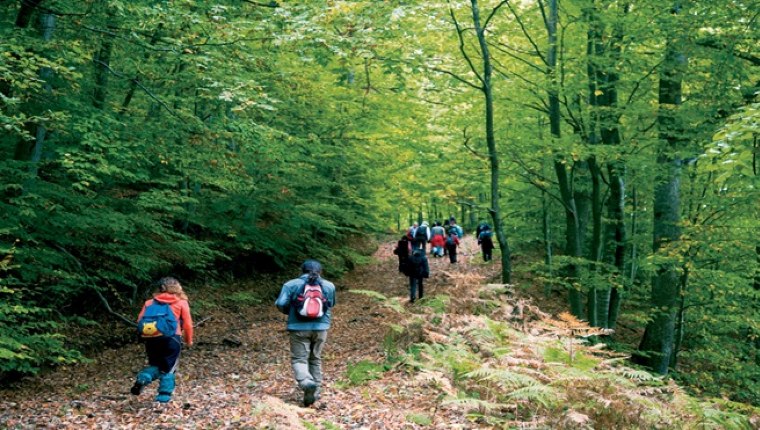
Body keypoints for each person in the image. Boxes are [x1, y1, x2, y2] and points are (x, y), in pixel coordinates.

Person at [275, 260, 336, 407]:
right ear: (320, 271)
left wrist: (290, 312)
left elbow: (280, 303)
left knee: (299, 359)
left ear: (302, 270)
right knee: (315, 358)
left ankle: (306, 382)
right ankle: (315, 393)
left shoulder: (291, 284)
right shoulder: (329, 285)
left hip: (298, 327)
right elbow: (331, 304)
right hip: (321, 327)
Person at [131, 277, 193, 403]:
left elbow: (139, 321)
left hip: (152, 339)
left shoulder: (149, 303)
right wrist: (188, 341)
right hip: (172, 339)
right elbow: (187, 325)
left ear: (160, 288)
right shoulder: (181, 303)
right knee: (169, 368)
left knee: (156, 365)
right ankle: (163, 398)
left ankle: (144, 376)